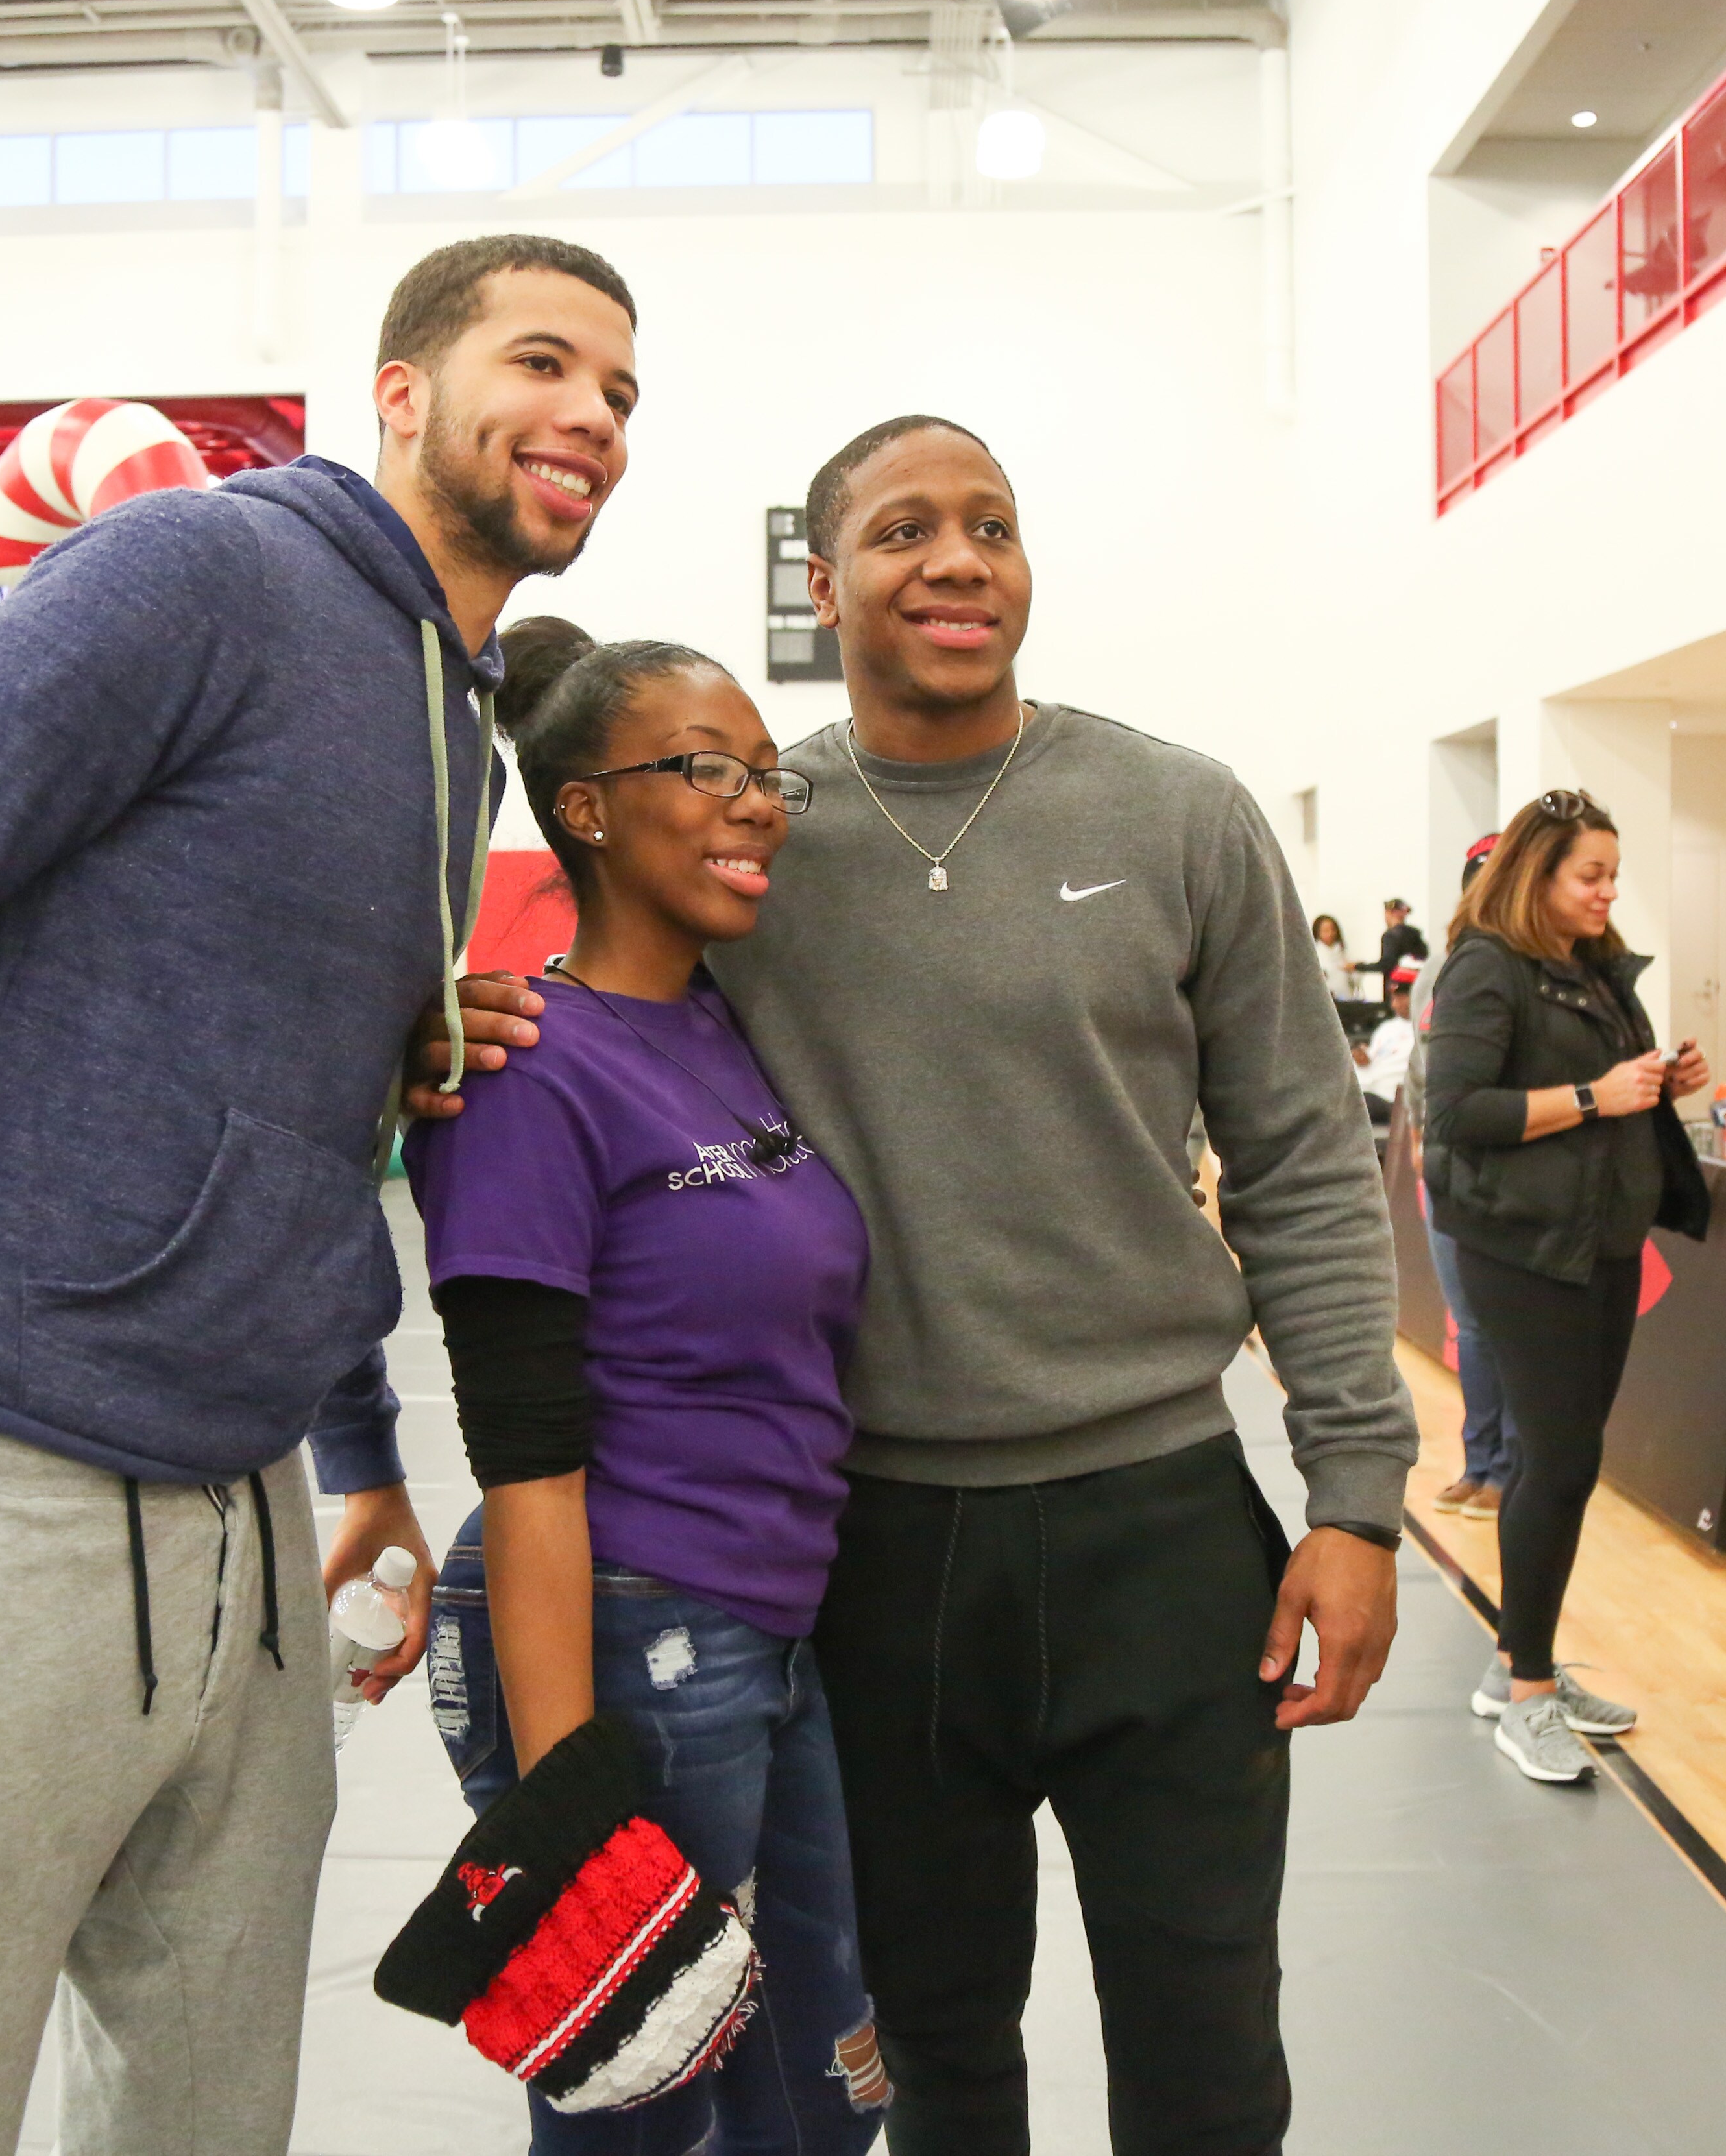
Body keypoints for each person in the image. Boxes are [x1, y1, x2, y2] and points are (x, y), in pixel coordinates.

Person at [0, 232, 640, 2156]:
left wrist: (357, 1448)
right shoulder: (198, 570)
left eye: (623, 394)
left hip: (247, 1533)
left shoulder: (456, 703)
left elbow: (309, 1093)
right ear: (402, 391)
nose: (592, 419)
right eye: (545, 363)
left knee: (203, 2110)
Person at [428, 415, 1415, 2155]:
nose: (955, 558)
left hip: (1163, 1527)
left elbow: (1309, 1166)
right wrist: (446, 1012)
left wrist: (1356, 1492)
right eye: (902, 530)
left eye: (991, 525)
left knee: (1206, 2038)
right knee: (931, 2037)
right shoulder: (753, 830)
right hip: (874, 1554)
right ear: (824, 584)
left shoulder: (1178, 811)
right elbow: (611, 991)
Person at [405, 618, 888, 2152]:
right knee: (637, 2084)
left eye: (763, 772)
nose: (755, 799)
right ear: (586, 806)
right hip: (635, 1625)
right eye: (703, 766)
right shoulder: (525, 1068)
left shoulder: (718, 1021)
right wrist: (565, 1803)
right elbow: (524, 1458)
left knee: (819, 2079)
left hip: (775, 1619)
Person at [1424, 790, 1709, 1786]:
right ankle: (1528, 1686)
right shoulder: (1484, 968)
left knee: (1570, 1462)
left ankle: (1520, 1665)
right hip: (1526, 1248)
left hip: (1601, 1240)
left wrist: (1658, 1080)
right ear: (1536, 875)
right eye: (1591, 874)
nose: (1607, 891)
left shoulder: (1588, 969)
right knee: (1555, 1460)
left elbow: (1611, 1088)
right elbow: (1458, 1112)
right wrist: (1597, 1095)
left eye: (1612, 874)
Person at [1409, 832, 1512, 1518]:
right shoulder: (1438, 970)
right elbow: (1422, 1069)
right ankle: (1480, 1464)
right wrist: (1419, 1138)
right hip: (1445, 1175)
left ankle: (1511, 1469)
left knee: (1510, 1329)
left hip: (1509, 1182)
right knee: (1472, 1327)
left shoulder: (1535, 969)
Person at [1354, 967, 1416, 1121]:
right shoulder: (1387, 1028)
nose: (1395, 1005)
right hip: (1366, 1090)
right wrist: (1363, 1058)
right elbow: (1375, 1058)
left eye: (1401, 998)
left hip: (1392, 1099)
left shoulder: (1425, 1030)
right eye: (1393, 998)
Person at [1373, 897, 1428, 989]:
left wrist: (1357, 967)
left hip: (1395, 988)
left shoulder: (1390, 936)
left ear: (1390, 913)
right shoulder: (1416, 935)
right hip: (1415, 986)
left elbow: (1386, 964)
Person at [1311, 912, 1357, 999]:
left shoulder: (1344, 952)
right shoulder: (1315, 954)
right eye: (1326, 931)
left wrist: (1353, 969)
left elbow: (1355, 980)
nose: (1330, 934)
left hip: (1345, 998)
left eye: (1333, 930)